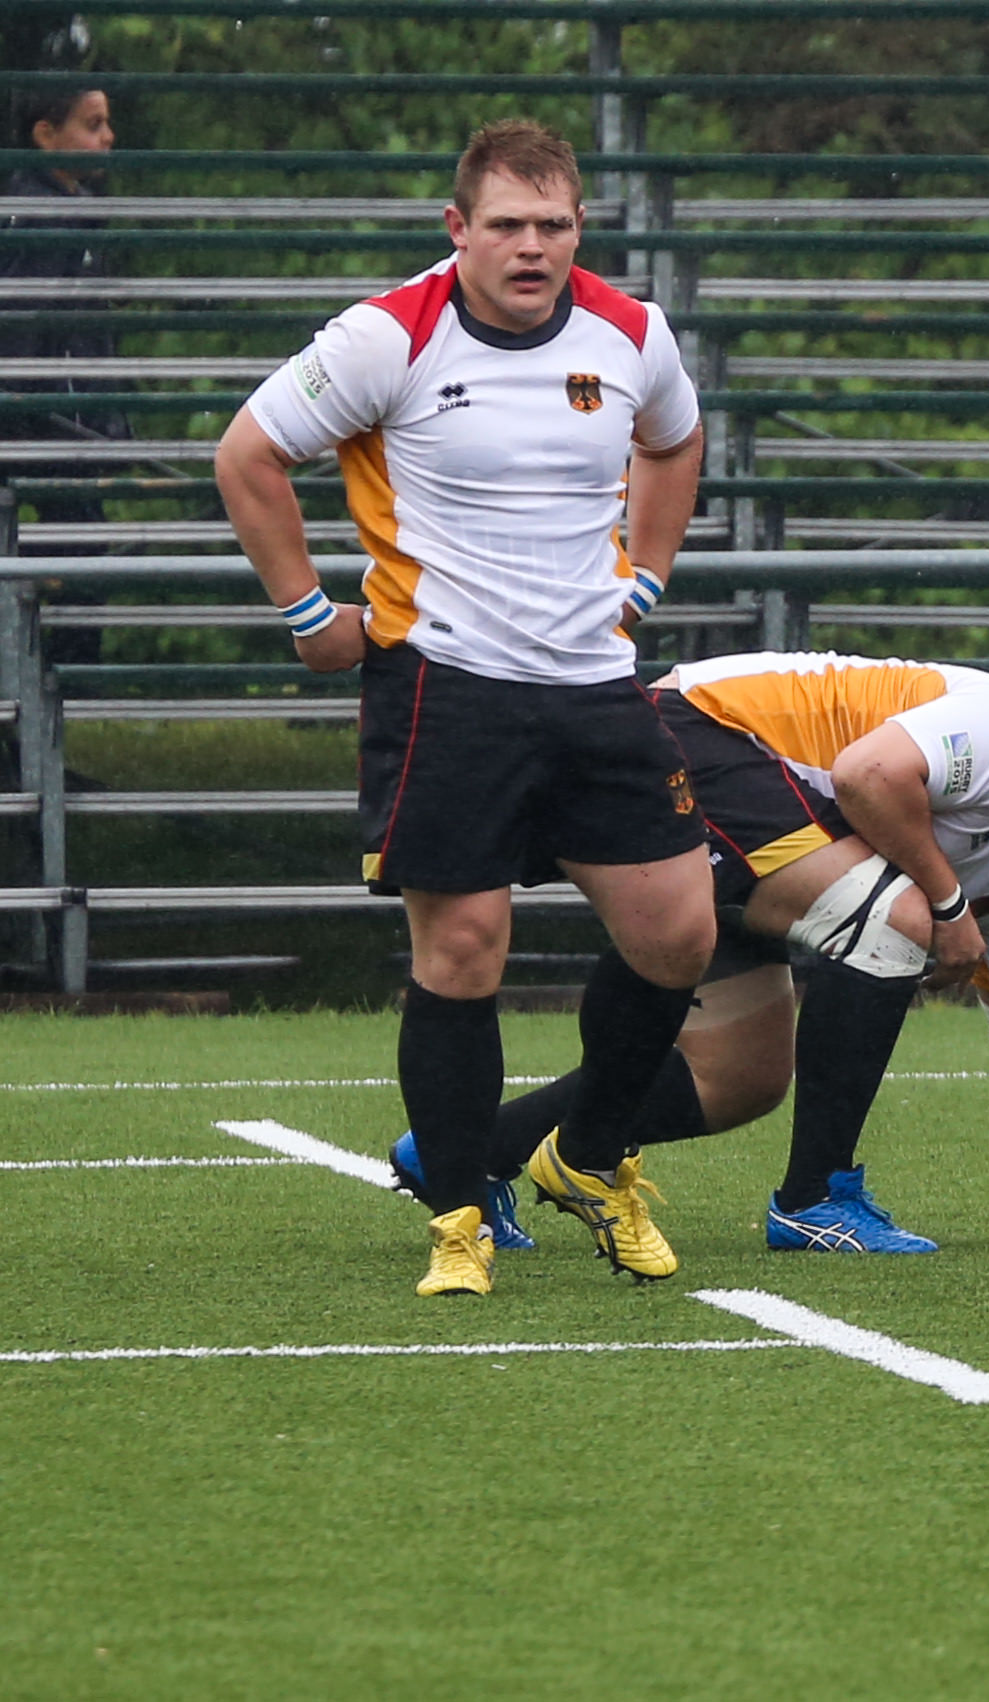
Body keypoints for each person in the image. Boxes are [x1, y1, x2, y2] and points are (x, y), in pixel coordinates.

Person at [215, 120, 714, 1298]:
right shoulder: (387, 335)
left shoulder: (632, 332)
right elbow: (248, 455)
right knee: (461, 950)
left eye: (552, 224)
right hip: (446, 684)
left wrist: (646, 576)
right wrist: (309, 615)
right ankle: (457, 1221)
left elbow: (676, 440)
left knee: (679, 933)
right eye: (505, 225)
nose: (530, 247)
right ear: (459, 228)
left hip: (592, 683)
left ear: (580, 227)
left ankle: (587, 1157)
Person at [426, 654, 989, 1253]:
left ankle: (466, 1152)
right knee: (896, 924)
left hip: (768, 815)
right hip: (697, 730)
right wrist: (949, 904)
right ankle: (815, 1200)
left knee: (742, 1080)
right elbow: (868, 774)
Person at [3, 81, 116, 663]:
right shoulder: (41, 215)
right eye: (92, 125)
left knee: (80, 558)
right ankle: (58, 690)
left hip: (62, 424)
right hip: (45, 428)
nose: (108, 137)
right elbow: (28, 331)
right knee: (78, 560)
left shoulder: (72, 210)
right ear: (45, 135)